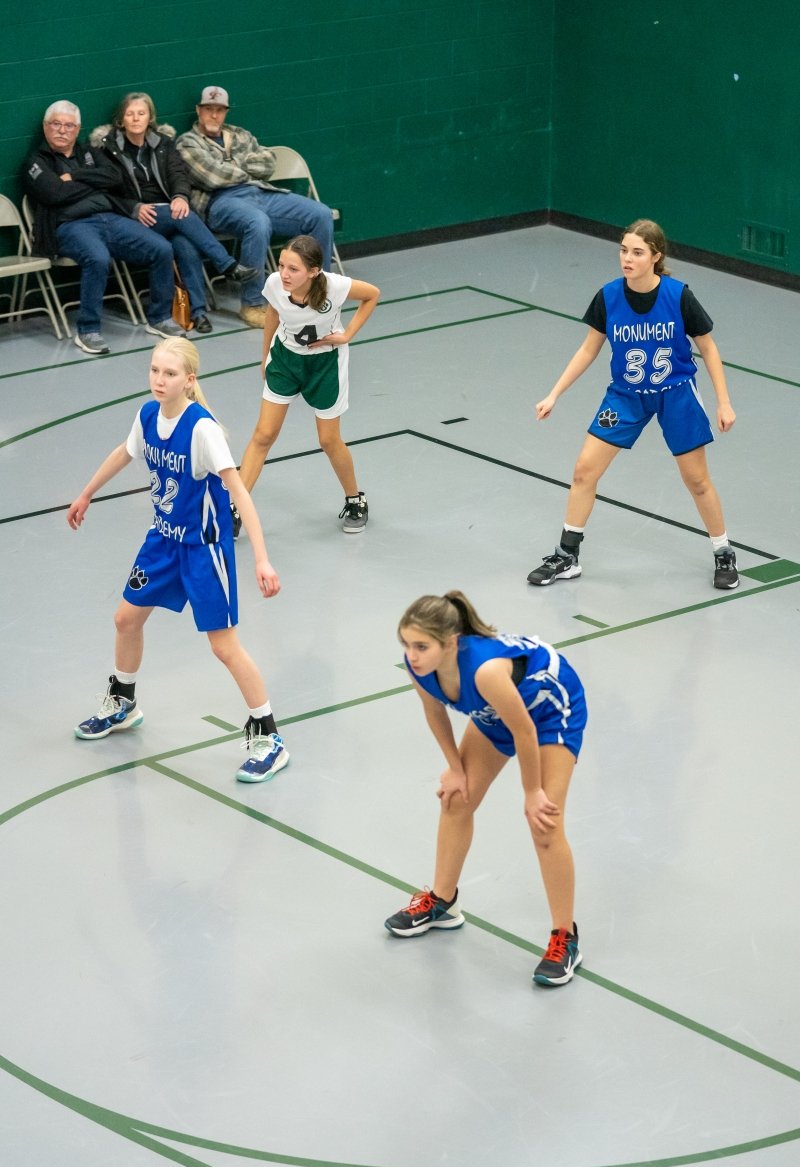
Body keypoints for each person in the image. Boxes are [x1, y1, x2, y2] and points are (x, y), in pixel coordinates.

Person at [66, 337, 289, 785]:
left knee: (223, 646)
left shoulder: (202, 430)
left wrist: (261, 560)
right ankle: (123, 703)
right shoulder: (148, 415)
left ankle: (268, 736)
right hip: (163, 541)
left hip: (204, 549)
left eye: (169, 374)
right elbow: (124, 452)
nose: (159, 380)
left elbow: (239, 492)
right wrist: (86, 493)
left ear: (189, 380)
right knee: (126, 619)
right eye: (154, 370)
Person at [385, 591, 587, 988]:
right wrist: (455, 768)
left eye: (422, 646)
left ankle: (565, 938)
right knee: (456, 800)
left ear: (451, 643)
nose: (412, 655)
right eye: (406, 644)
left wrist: (532, 792)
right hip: (498, 710)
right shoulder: (419, 667)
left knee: (545, 824)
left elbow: (525, 731)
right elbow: (433, 710)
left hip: (549, 710)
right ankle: (443, 902)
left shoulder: (485, 671)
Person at [526, 218, 739, 591]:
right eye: (624, 250)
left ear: (656, 257)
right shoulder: (608, 296)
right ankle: (567, 556)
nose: (627, 258)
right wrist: (554, 393)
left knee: (696, 480)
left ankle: (723, 552)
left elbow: (708, 347)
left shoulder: (678, 296)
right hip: (625, 396)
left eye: (637, 252)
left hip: (676, 394)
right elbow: (589, 348)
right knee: (584, 471)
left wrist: (724, 402)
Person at [232, 235, 380, 536]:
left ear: (313, 271)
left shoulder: (335, 286)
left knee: (329, 440)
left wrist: (348, 334)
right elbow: (274, 312)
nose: (284, 274)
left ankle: (355, 500)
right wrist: (265, 355)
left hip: (324, 365)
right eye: (281, 265)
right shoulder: (275, 284)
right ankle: (235, 508)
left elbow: (372, 294)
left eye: (293, 269)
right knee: (263, 434)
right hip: (286, 361)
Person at [24, 100, 187, 355]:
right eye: (56, 124)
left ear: (78, 129)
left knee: (162, 248)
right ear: (46, 126)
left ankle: (159, 318)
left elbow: (115, 178)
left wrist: (75, 177)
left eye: (69, 125)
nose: (62, 130)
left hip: (110, 218)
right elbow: (54, 193)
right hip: (70, 226)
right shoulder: (37, 161)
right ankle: (88, 330)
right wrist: (95, 185)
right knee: (98, 258)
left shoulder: (88, 153)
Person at [91, 92, 258, 333]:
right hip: (135, 217)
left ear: (150, 118)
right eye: (130, 114)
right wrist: (134, 208)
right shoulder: (108, 149)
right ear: (121, 120)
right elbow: (105, 190)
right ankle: (227, 265)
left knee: (185, 245)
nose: (136, 119)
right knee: (185, 216)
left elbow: (179, 175)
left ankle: (198, 312)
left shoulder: (163, 144)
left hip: (168, 213)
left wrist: (180, 196)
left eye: (141, 113)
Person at [175, 86, 335, 328]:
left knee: (320, 214)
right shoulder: (187, 142)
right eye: (208, 109)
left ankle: (315, 291)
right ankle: (252, 304)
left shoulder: (240, 134)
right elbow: (212, 177)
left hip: (261, 192)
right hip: (220, 202)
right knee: (257, 222)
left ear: (226, 112)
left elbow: (268, 163)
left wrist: (231, 166)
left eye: (219, 110)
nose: (214, 115)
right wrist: (245, 167)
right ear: (199, 111)